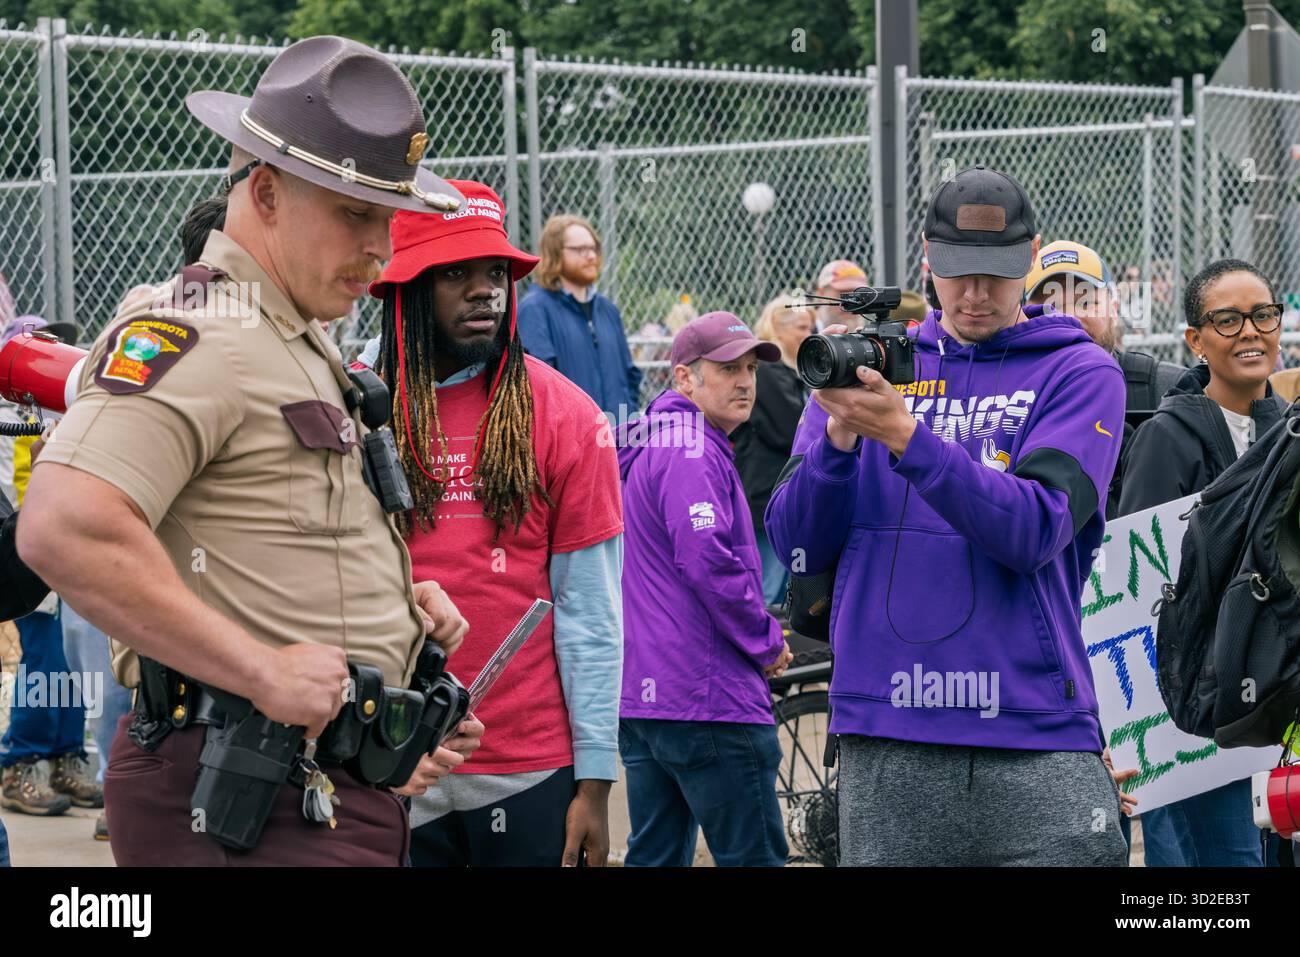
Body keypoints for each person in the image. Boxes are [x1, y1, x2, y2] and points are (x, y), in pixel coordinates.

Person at [17, 35, 485, 866]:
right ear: (264, 193)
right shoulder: (202, 332)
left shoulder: (291, 334)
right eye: (354, 211)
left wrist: (391, 616)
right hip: (240, 796)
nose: (382, 246)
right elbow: (66, 527)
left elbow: (256, 529)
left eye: (390, 214)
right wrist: (263, 671)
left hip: (311, 791)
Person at [767, 165, 1129, 866]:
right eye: (957, 271)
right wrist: (839, 444)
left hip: (1033, 729)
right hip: (886, 723)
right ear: (927, 257)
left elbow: (1032, 529)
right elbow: (796, 546)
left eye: (996, 273)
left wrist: (907, 437)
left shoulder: (1080, 371)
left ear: (1031, 255)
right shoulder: (864, 367)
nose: (974, 293)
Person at [355, 179, 624, 867]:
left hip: (529, 770)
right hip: (385, 762)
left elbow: (592, 612)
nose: (485, 291)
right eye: (456, 274)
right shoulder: (353, 409)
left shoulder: (567, 414)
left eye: (496, 273)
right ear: (409, 290)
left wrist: (594, 781)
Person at [1119, 258, 1289, 867]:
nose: (1251, 331)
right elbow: (1141, 583)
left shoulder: (1287, 431)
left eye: (1263, 315)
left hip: (1279, 696)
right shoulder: (1167, 437)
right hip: (1201, 712)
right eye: (1228, 319)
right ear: (1196, 339)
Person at [619, 311, 794, 867]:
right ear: (684, 380)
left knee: (655, 855)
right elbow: (708, 561)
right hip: (708, 699)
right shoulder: (689, 447)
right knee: (754, 858)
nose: (745, 381)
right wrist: (766, 640)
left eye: (750, 368)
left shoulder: (657, 439)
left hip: (650, 699)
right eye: (727, 369)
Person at [1023, 240, 1186, 519]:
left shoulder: (1167, 390)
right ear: (1023, 315)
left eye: (1086, 302)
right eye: (1050, 306)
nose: (1070, 317)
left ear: (1113, 306)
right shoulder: (1003, 399)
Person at [518, 215, 642, 417]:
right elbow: (538, 387)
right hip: (572, 440)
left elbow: (629, 377)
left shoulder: (608, 310)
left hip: (620, 438)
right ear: (555, 253)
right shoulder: (535, 309)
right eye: (580, 250)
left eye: (593, 248)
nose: (591, 256)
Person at [734, 293, 814, 606]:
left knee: (782, 585)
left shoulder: (789, 375)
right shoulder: (768, 373)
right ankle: (759, 649)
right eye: (802, 328)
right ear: (777, 330)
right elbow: (791, 432)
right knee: (767, 586)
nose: (809, 335)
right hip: (763, 492)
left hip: (777, 493)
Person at [811, 258, 869, 329]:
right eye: (844, 294)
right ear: (821, 293)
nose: (852, 302)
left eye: (857, 295)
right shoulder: (802, 333)